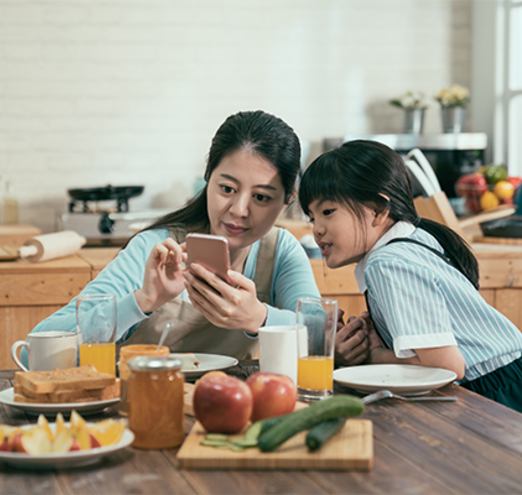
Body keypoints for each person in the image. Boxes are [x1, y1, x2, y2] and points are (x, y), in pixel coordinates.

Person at [298, 139, 522, 437]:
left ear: (378, 211)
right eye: (312, 216)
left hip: (500, 402)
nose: (316, 228)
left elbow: (446, 368)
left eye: (328, 212)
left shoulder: (389, 261)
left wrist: (374, 355)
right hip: (519, 388)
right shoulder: (411, 240)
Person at [31, 110, 320, 359]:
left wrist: (259, 317)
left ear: (287, 200)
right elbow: (33, 350)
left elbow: (322, 334)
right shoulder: (155, 248)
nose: (239, 210)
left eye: (261, 197)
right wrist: (142, 301)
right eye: (227, 189)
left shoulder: (280, 251)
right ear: (207, 180)